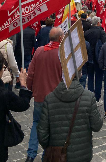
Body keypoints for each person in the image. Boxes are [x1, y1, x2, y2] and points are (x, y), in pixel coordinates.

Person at [37, 78, 103, 162]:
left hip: (57, 154)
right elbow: (97, 126)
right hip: (83, 154)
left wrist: (49, 147)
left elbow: (42, 133)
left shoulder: (49, 99)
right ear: (80, 74)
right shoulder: (89, 97)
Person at [25, 27, 64, 162]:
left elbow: (31, 73)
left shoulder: (39, 51)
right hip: (56, 99)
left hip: (40, 96)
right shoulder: (62, 54)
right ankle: (45, 156)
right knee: (52, 128)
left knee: (36, 124)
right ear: (60, 38)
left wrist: (30, 89)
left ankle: (31, 154)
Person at [84, 16, 106, 102]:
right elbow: (104, 45)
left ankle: (90, 95)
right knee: (99, 78)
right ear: (98, 23)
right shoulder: (101, 32)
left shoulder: (87, 33)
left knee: (90, 77)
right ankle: (97, 97)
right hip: (99, 59)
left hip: (89, 57)